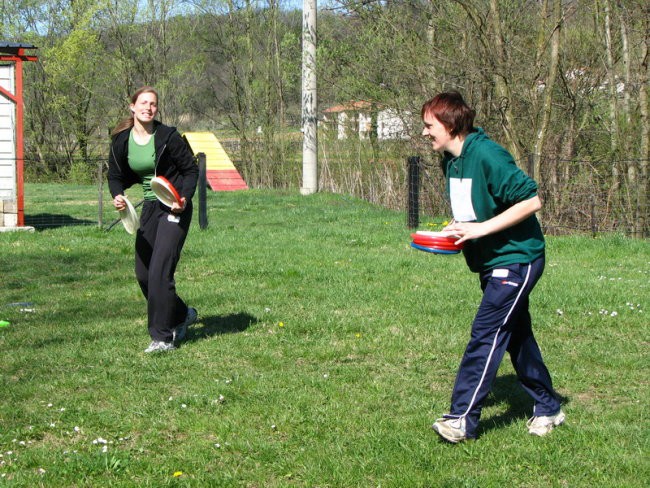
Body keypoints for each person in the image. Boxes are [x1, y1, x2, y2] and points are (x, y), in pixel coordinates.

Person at [421, 91, 564, 442]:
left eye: (429, 126)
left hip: (518, 258)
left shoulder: (488, 155)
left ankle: (461, 418)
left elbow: (532, 200)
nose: (425, 133)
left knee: (486, 333)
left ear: (451, 124)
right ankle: (548, 405)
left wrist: (482, 229)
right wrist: (457, 230)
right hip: (490, 261)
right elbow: (474, 206)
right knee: (516, 335)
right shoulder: (451, 161)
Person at [108, 86, 199, 353]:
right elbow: (115, 175)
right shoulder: (122, 141)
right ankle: (181, 314)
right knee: (144, 273)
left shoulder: (168, 136)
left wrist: (182, 198)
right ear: (132, 107)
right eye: (144, 103)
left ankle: (162, 337)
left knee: (161, 271)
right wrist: (118, 196)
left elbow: (191, 170)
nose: (149, 107)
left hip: (174, 206)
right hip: (149, 207)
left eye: (154, 104)